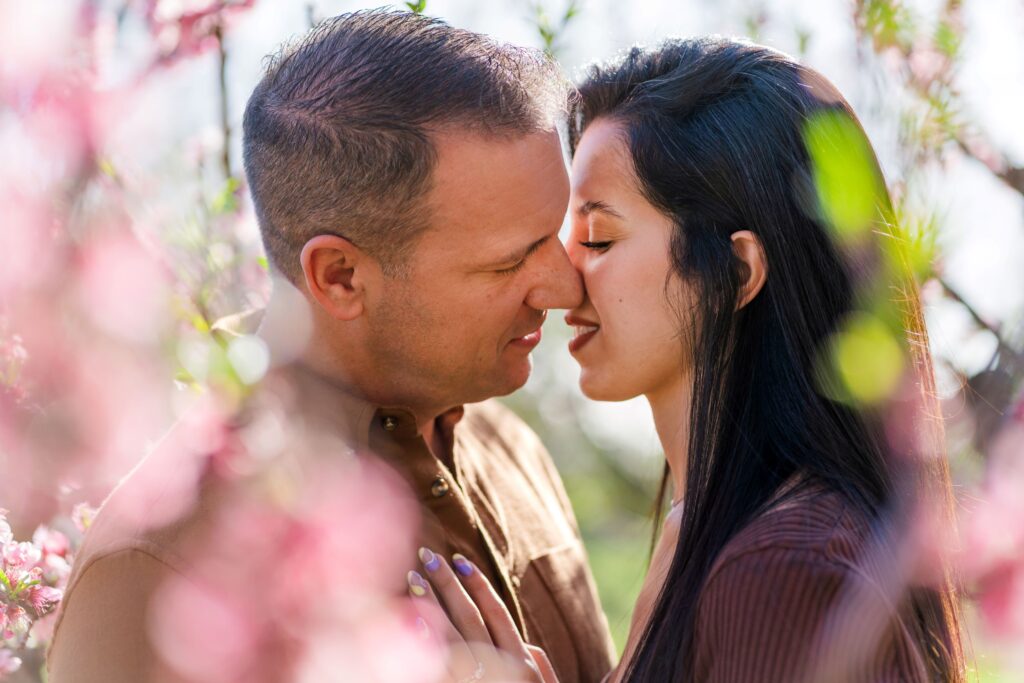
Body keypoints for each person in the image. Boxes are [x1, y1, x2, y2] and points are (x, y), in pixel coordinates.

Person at [46, 10, 616, 683]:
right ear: (340, 276)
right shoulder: (156, 572)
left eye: (552, 235)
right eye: (507, 263)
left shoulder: (513, 450)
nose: (561, 283)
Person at [415, 37, 966, 683]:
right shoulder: (703, 535)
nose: (565, 278)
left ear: (735, 272)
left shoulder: (779, 567)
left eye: (598, 237)